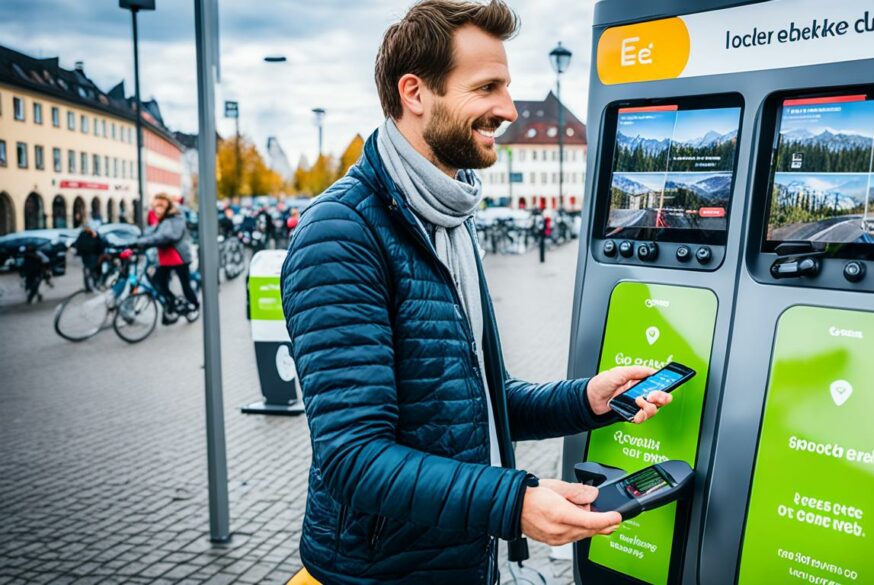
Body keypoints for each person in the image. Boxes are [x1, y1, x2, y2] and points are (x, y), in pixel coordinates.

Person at [279, 2, 673, 583]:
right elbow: (353, 458)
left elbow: (472, 403)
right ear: (415, 92)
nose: (508, 109)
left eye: (507, 87)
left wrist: (587, 398)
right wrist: (513, 503)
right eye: (487, 87)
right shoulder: (341, 233)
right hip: (378, 572)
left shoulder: (447, 218)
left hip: (459, 558)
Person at [134, 194, 199, 325]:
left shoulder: (175, 219)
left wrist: (142, 242)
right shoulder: (163, 220)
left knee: (185, 284)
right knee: (158, 282)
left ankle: (194, 305)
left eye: (160, 205)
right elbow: (152, 233)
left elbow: (166, 236)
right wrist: (137, 240)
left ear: (168, 205)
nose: (157, 209)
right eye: (155, 206)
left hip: (179, 257)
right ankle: (172, 304)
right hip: (165, 258)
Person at [72, 222, 104, 291]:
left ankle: (92, 285)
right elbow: (100, 244)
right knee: (92, 270)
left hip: (89, 255)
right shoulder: (89, 234)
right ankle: (93, 284)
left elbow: (77, 244)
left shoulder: (87, 234)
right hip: (90, 255)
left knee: (91, 270)